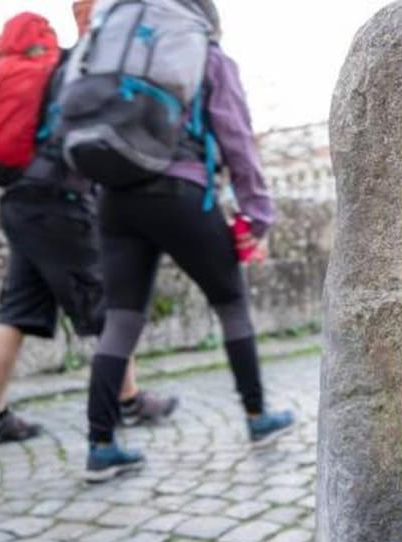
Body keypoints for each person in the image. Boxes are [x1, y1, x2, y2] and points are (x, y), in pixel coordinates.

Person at [81, 0, 294, 482]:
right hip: (180, 192)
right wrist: (256, 213)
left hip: (115, 197)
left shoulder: (117, 45)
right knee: (231, 304)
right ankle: (259, 418)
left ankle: (100, 445)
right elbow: (236, 137)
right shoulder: (206, 52)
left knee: (120, 322)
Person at [0, 2, 177, 448]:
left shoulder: (41, 67)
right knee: (109, 307)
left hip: (21, 203)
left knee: (16, 312)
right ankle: (125, 408)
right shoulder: (81, 64)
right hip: (59, 203)